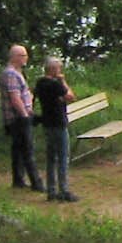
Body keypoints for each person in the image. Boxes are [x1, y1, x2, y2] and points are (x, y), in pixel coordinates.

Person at [0, 44, 43, 193]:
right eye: (23, 56)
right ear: (15, 57)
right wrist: (25, 115)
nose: (26, 58)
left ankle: (18, 180)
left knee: (17, 150)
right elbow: (14, 97)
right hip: (18, 118)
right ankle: (36, 183)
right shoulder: (11, 74)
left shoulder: (17, 73)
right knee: (27, 150)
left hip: (20, 116)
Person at [34, 56, 77, 202]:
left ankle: (51, 190)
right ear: (53, 69)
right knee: (63, 158)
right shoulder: (55, 84)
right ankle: (64, 190)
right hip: (59, 123)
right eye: (59, 68)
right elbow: (70, 96)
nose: (60, 70)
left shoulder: (40, 83)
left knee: (51, 158)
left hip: (47, 124)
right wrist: (62, 80)